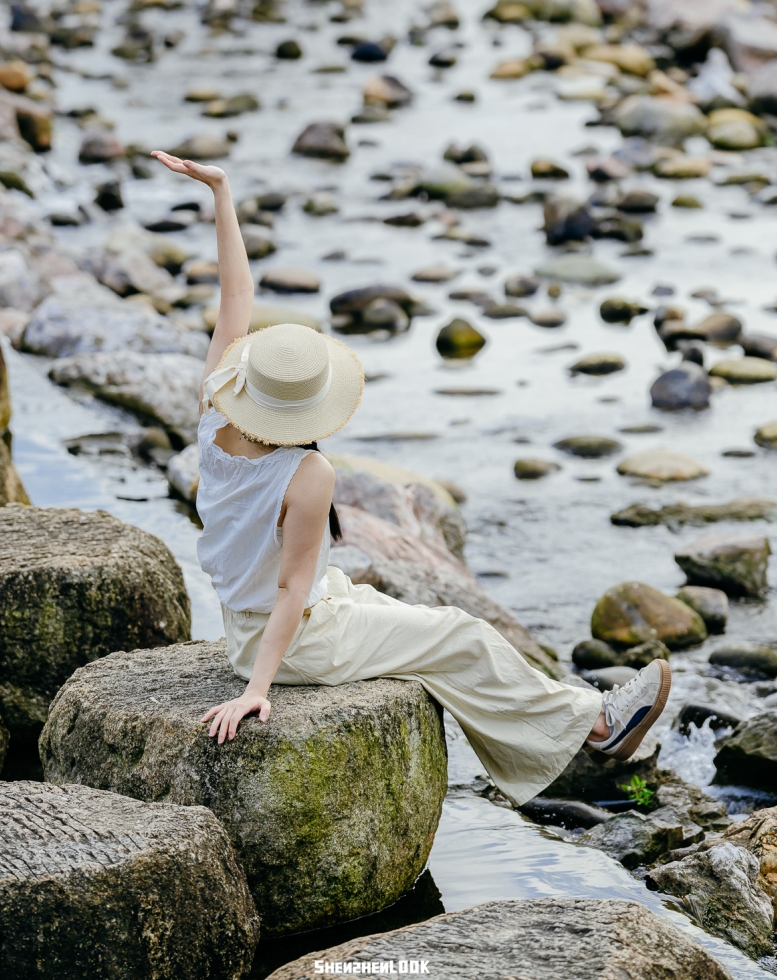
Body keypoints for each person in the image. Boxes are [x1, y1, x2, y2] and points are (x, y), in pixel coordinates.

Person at [152, 150, 672, 807]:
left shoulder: (212, 402)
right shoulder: (307, 472)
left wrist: (221, 192)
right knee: (461, 634)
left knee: (432, 627)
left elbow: (235, 296)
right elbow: (289, 590)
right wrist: (257, 688)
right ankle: (598, 726)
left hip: (255, 621)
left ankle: (558, 731)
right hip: (292, 641)